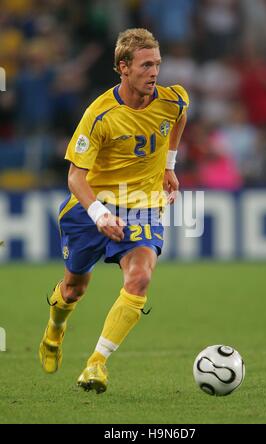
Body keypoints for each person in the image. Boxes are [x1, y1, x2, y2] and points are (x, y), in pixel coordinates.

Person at [39, 28, 189, 394]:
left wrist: (169, 166)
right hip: (92, 207)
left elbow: (179, 119)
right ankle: (55, 328)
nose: (154, 72)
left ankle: (96, 365)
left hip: (144, 206)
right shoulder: (100, 114)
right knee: (74, 289)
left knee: (140, 277)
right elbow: (75, 176)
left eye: (157, 64)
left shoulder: (174, 100)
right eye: (145, 65)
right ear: (123, 68)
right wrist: (100, 215)